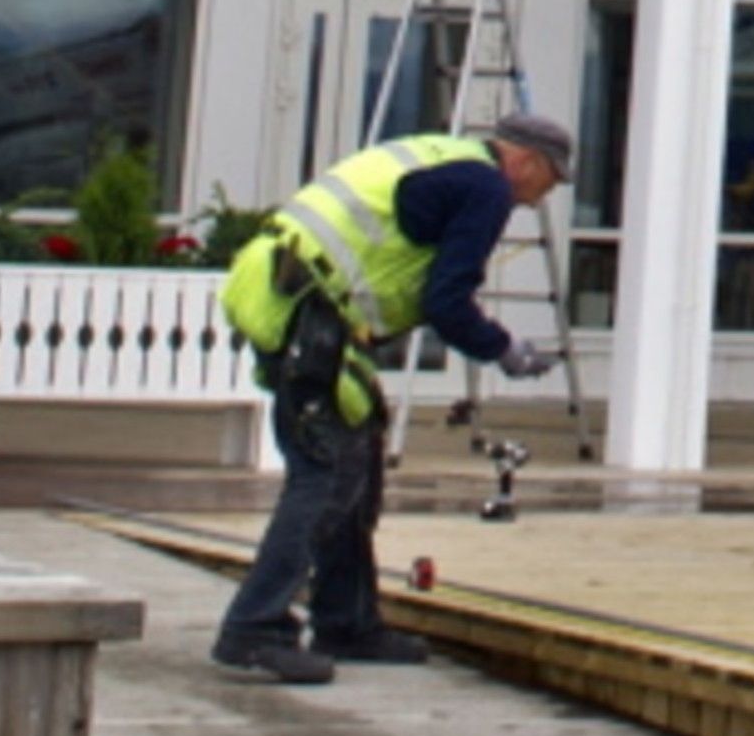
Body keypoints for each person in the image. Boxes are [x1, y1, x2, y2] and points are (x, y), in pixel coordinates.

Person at [212, 105, 571, 684]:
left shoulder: (444, 155)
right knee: (323, 476)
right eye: (550, 180)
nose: (542, 197)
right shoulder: (486, 189)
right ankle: (253, 628)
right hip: (309, 309)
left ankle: (347, 623)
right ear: (527, 161)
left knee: (356, 466)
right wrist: (504, 349)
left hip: (291, 290)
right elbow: (446, 302)